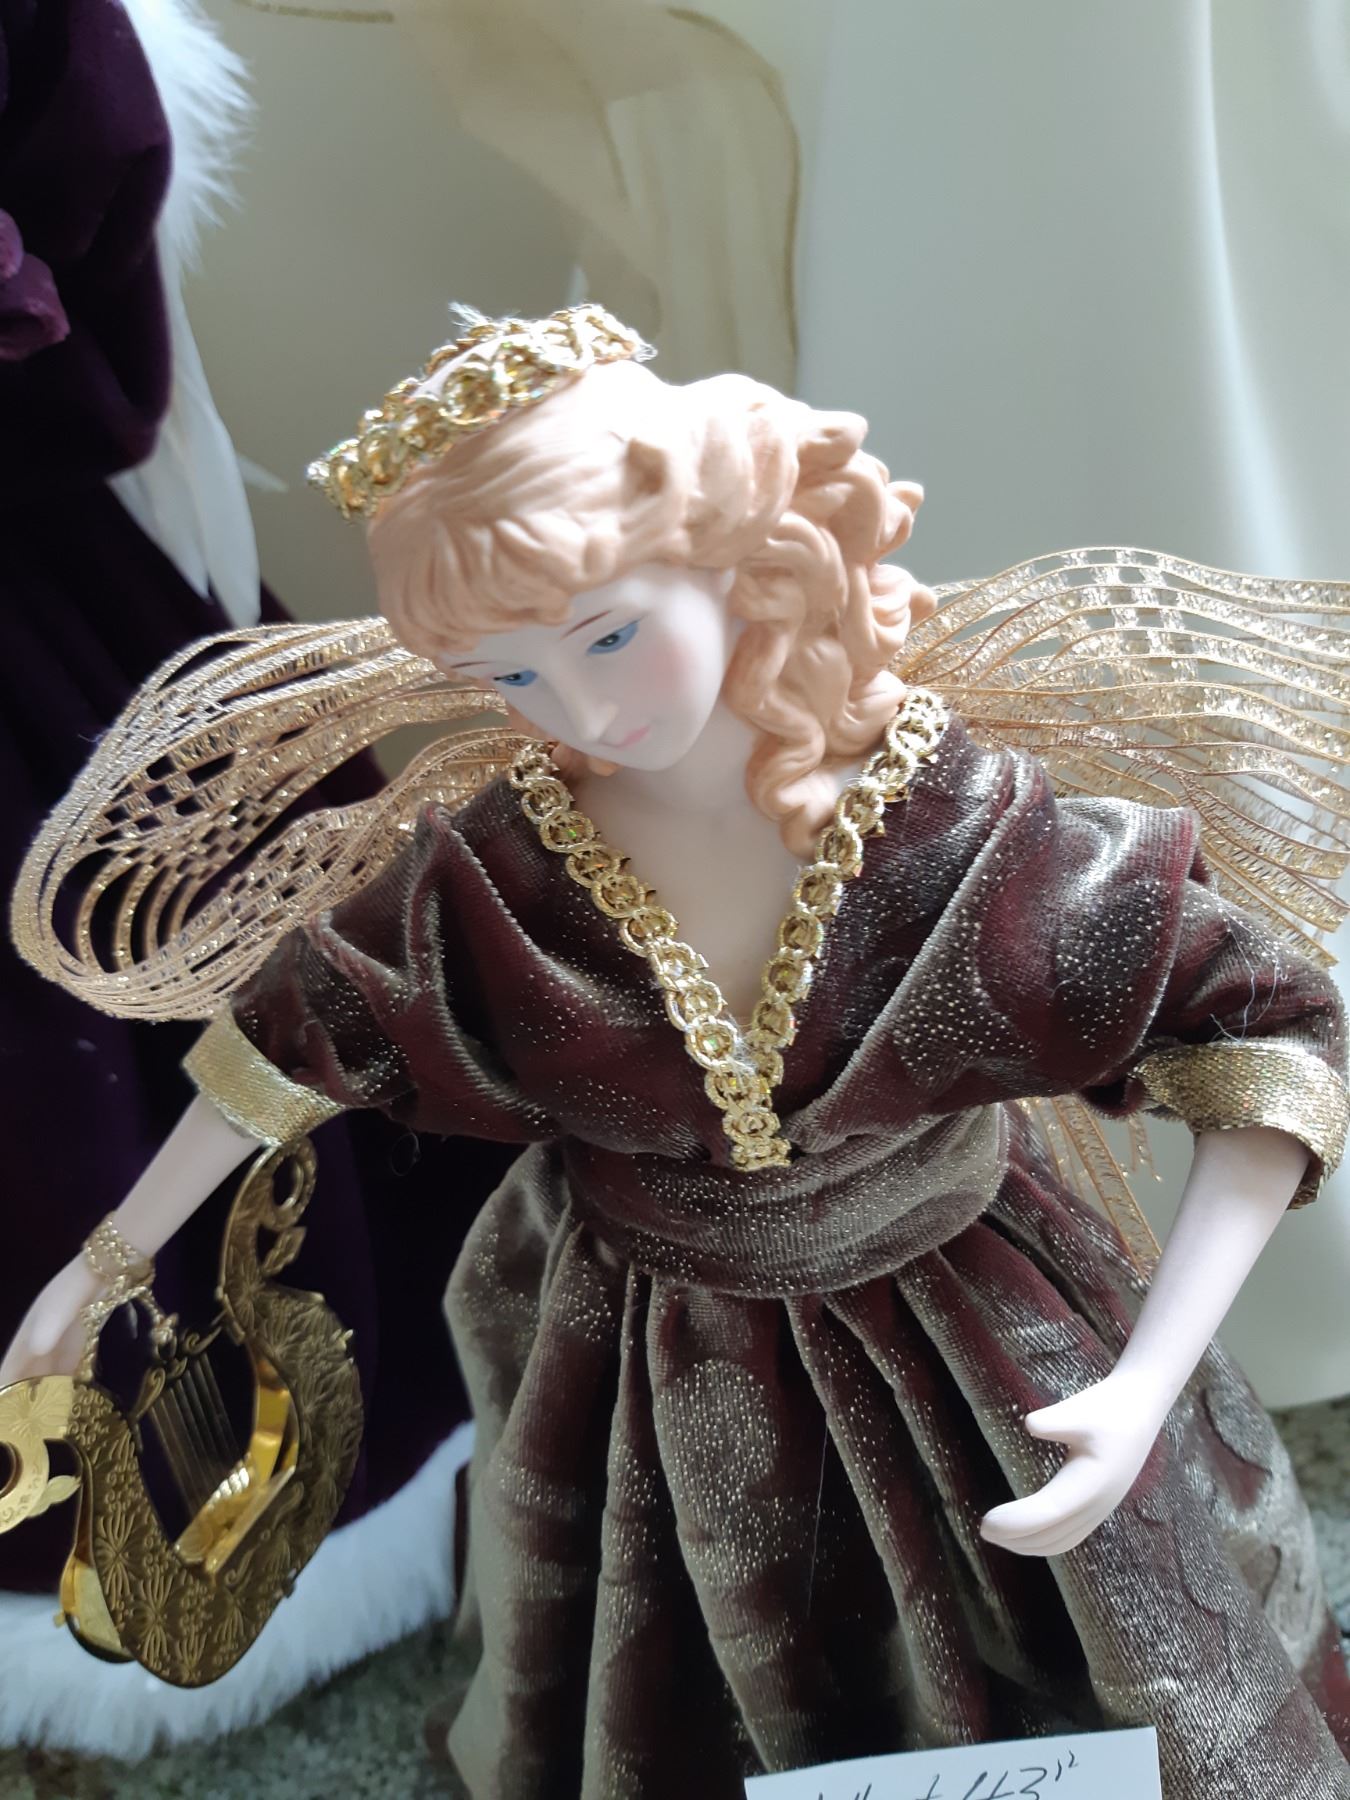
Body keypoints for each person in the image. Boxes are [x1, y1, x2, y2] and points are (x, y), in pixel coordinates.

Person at [4, 306, 1349, 1796]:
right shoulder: (492, 874)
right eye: (510, 676)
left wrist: (1148, 1376)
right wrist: (107, 1262)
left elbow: (1259, 1027)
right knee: (674, 1674)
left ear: (740, 558)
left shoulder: (957, 832)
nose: (580, 709)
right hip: (638, 1356)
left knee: (1072, 1648)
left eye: (608, 636)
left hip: (972, 1327)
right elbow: (300, 1033)